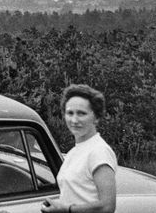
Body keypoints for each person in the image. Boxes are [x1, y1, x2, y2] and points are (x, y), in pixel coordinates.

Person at [41, 84, 117, 213]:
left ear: (96, 118)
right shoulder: (74, 152)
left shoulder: (99, 151)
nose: (74, 120)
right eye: (70, 113)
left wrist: (66, 209)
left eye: (81, 113)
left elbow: (107, 207)